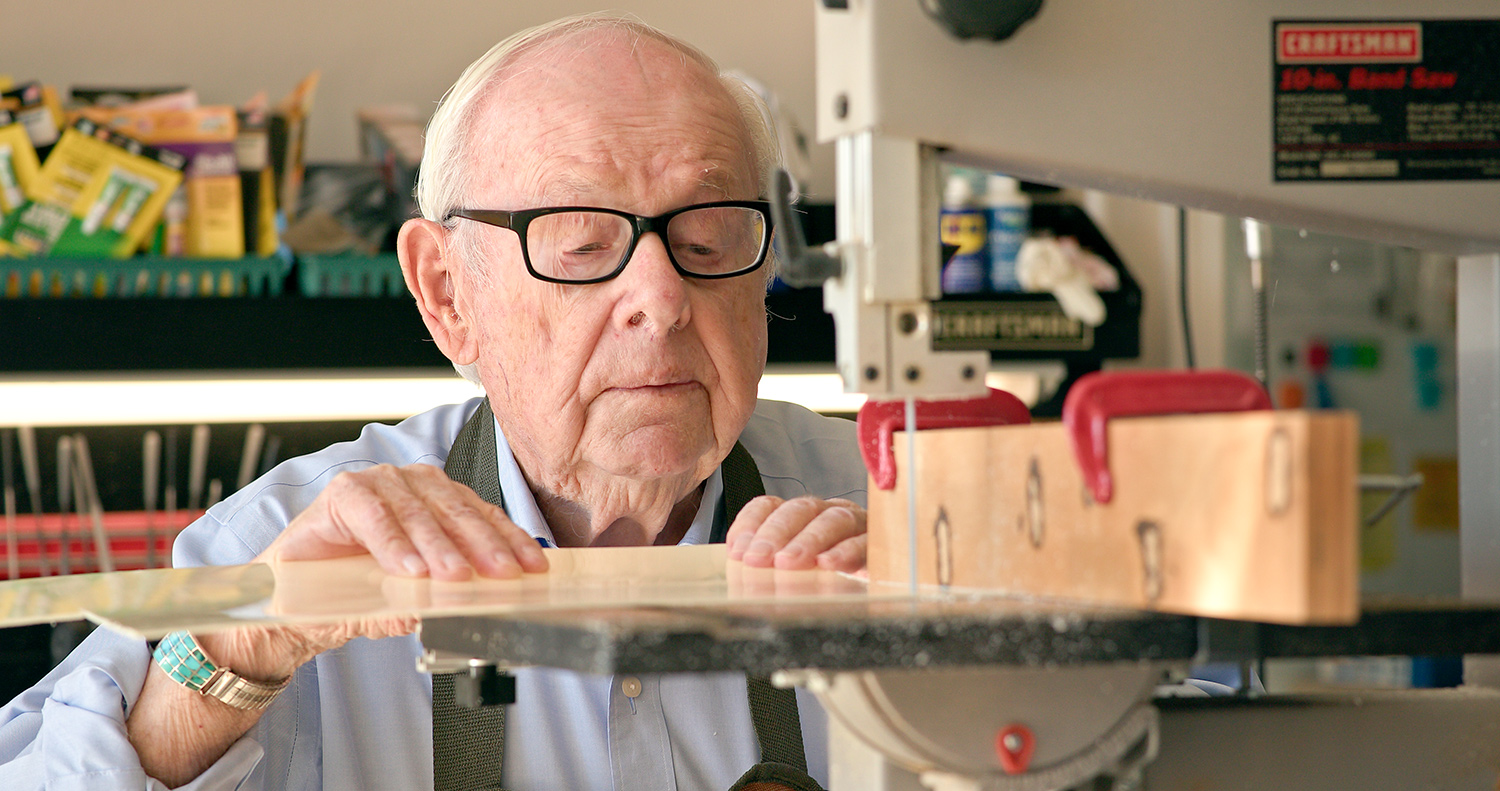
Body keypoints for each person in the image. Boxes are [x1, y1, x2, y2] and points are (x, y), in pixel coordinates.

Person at [0, 14, 868, 791]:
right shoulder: (281, 546)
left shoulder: (894, 510)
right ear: (448, 292)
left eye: (708, 236)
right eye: (581, 242)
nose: (663, 296)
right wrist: (239, 657)